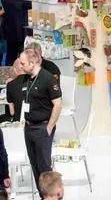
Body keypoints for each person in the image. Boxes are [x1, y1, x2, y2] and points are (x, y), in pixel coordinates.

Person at [18, 48, 62, 191]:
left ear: (32, 63)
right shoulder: (26, 78)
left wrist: (50, 126)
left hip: (42, 127)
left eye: (23, 63)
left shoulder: (48, 78)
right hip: (29, 127)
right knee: (34, 165)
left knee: (44, 168)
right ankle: (42, 195)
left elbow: (58, 104)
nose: (20, 66)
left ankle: (51, 195)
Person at [1, 0, 32, 64]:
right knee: (23, 57)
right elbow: (30, 7)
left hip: (8, 30)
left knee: (10, 56)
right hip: (21, 31)